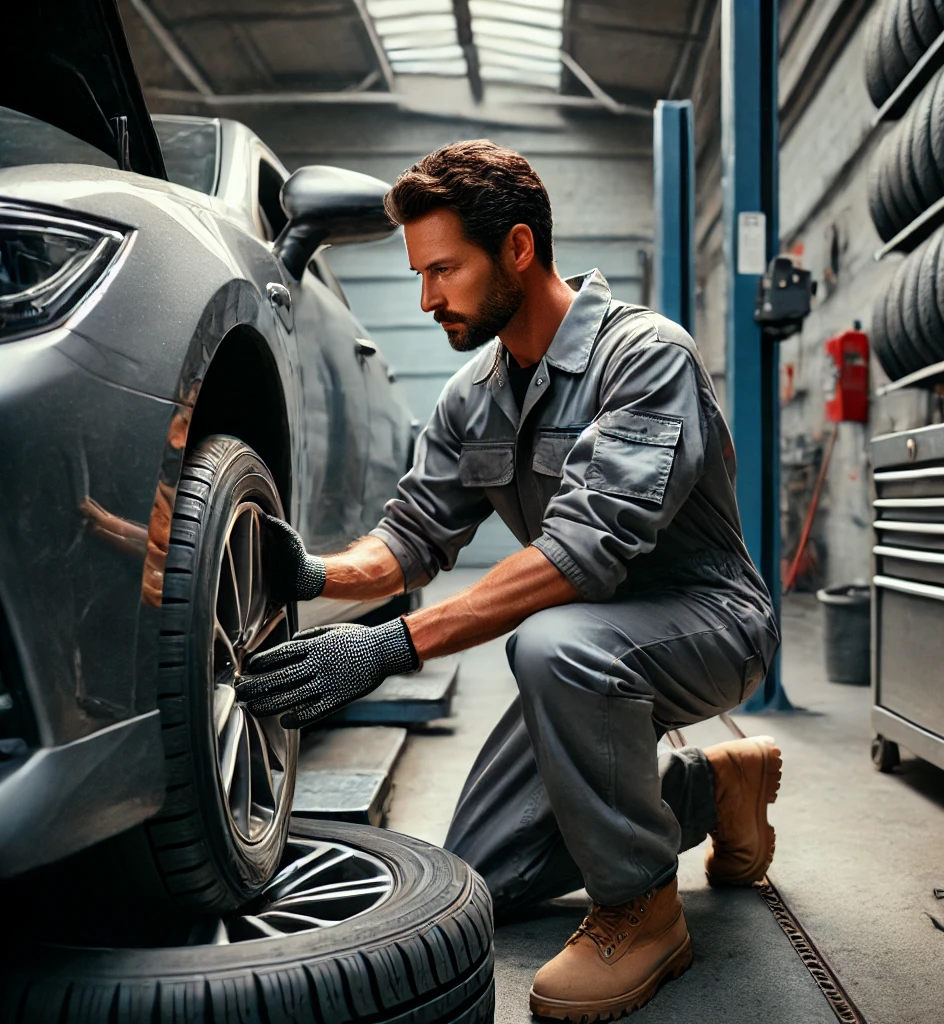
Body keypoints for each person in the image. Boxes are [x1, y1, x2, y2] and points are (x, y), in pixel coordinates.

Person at [237, 140, 781, 1021]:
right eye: (420, 274)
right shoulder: (473, 396)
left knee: (553, 641)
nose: (426, 299)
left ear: (518, 250)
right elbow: (410, 539)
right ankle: (712, 788)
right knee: (486, 874)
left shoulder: (644, 356)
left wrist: (391, 644)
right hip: (585, 645)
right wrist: (313, 573)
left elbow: (583, 554)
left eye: (444, 269)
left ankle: (642, 907)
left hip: (708, 622)